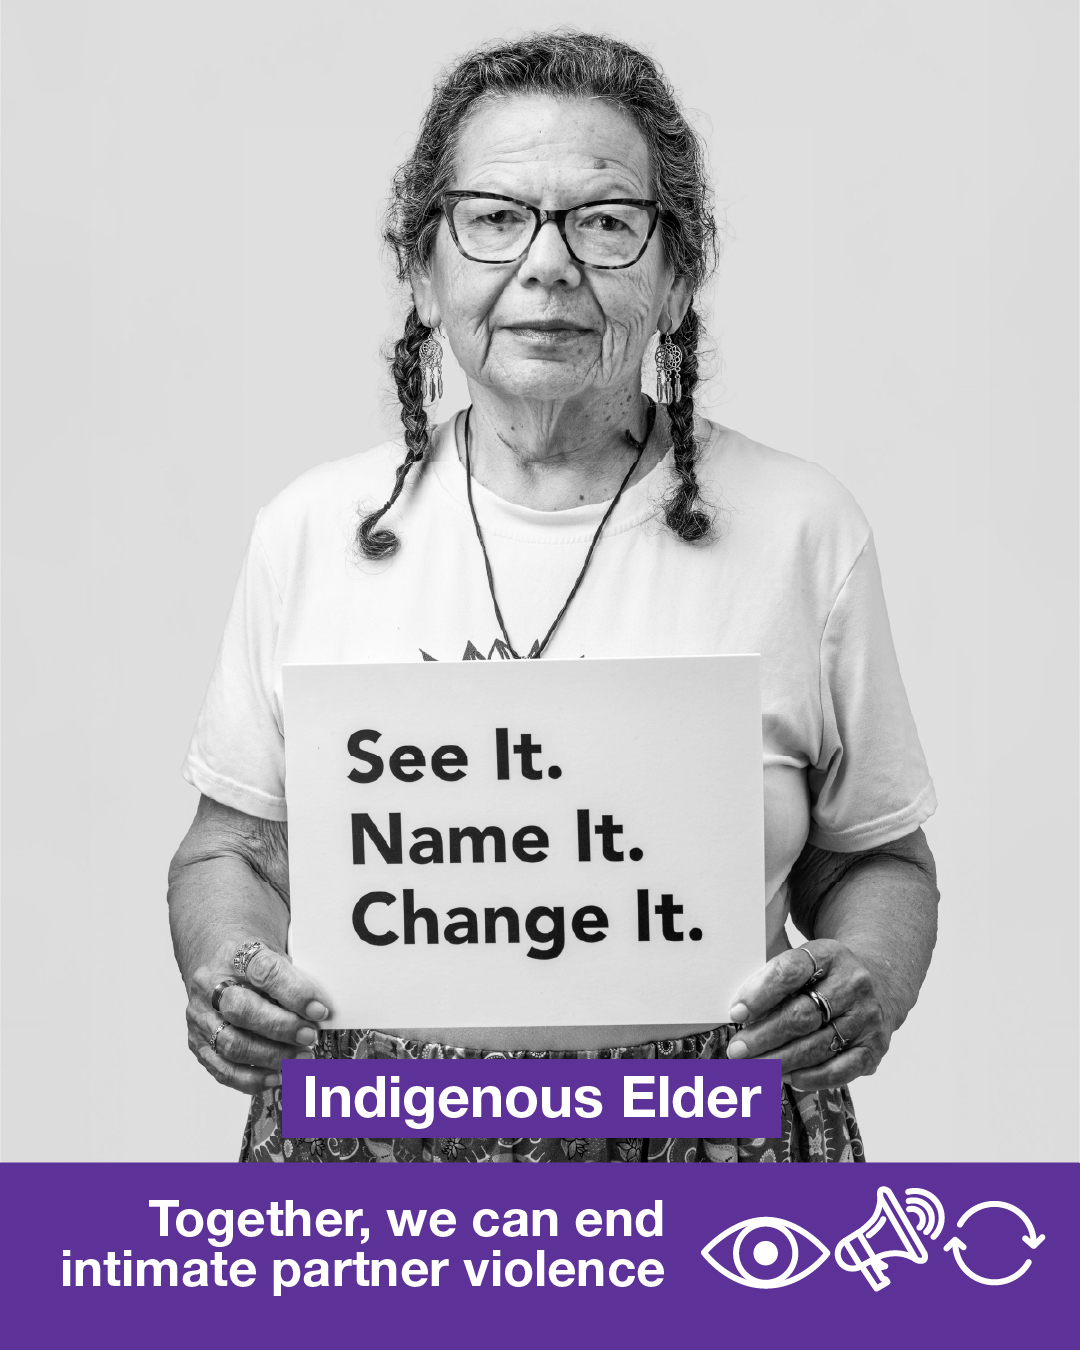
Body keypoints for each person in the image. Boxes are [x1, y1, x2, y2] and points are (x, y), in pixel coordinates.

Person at [169, 31, 939, 1164]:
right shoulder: (311, 531)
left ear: (677, 277)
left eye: (607, 223)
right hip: (373, 1149)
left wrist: (864, 975)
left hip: (713, 1144)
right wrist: (231, 973)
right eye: (494, 218)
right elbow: (231, 851)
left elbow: (873, 858)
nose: (548, 265)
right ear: (423, 270)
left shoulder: (799, 528)